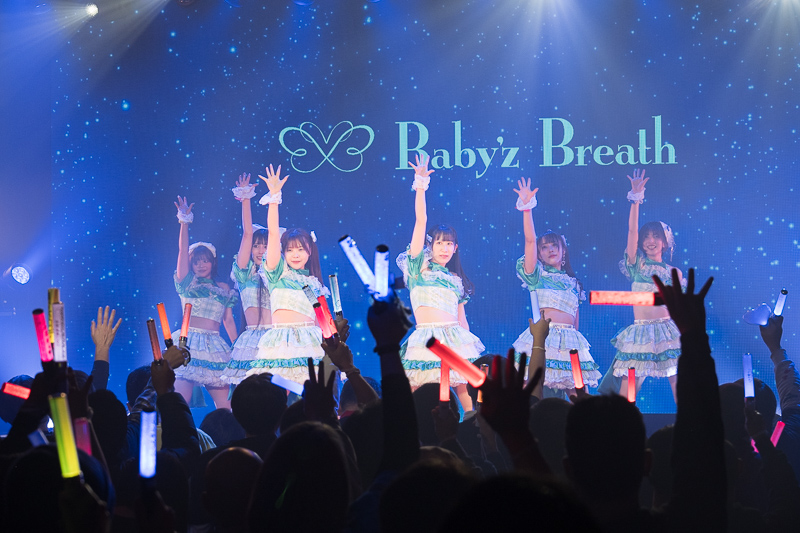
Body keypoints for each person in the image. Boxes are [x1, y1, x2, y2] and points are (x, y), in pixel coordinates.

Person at [395, 154, 484, 411]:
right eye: (439, 243)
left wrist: (469, 347)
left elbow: (462, 319)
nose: (444, 248)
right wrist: (421, 186)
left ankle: (474, 426)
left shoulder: (456, 280)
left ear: (455, 248)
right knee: (413, 392)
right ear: (430, 246)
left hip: (455, 337)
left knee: (464, 389)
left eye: (449, 244)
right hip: (426, 338)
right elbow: (420, 221)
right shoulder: (418, 269)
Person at [511, 178, 600, 395]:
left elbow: (575, 320)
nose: (550, 250)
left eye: (554, 245)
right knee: (530, 390)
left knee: (579, 394)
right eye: (544, 247)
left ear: (563, 250)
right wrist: (527, 209)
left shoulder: (574, 283)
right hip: (542, 337)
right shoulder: (537, 275)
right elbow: (530, 240)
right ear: (539, 254)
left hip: (570, 340)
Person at [247, 165, 330, 386]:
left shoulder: (314, 284)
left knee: (314, 396)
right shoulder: (277, 275)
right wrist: (274, 198)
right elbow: (273, 234)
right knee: (275, 396)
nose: (295, 254)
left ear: (309, 252)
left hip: (311, 342)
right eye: (290, 250)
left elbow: (322, 321)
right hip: (280, 342)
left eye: (301, 249)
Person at [608, 169, 684, 402]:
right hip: (640, 331)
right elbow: (632, 231)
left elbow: (679, 308)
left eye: (656, 236)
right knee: (629, 390)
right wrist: (636, 200)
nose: (650, 241)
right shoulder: (637, 265)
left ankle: (689, 422)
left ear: (665, 242)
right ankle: (623, 422)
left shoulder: (674, 272)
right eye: (646, 237)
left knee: (680, 386)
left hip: (668, 331)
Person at [173, 196, 238, 409]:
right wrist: (184, 222)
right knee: (178, 404)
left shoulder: (224, 288)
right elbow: (182, 251)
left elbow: (228, 320)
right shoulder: (187, 284)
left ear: (213, 262)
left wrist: (238, 349)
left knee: (227, 407)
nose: (201, 265)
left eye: (205, 261)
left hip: (215, 346)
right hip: (187, 343)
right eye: (196, 262)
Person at [221, 172, 272, 385]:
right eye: (256, 246)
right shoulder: (244, 274)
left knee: (280, 393)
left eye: (265, 246)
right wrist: (246, 200)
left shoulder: (278, 275)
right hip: (252, 340)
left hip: (277, 339)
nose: (260, 250)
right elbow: (247, 234)